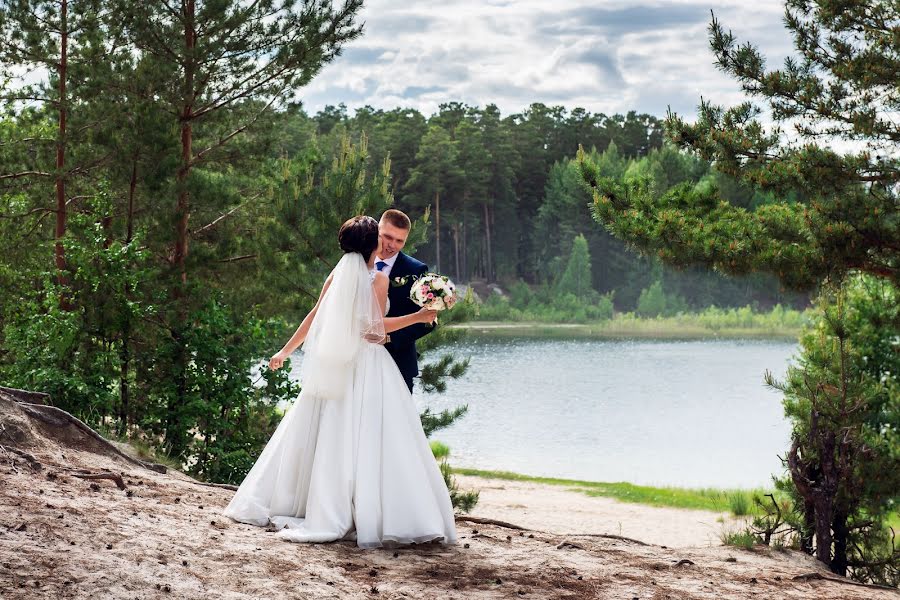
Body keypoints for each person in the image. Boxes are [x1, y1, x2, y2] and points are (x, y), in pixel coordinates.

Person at [222, 215, 457, 548]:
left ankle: (307, 501)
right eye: (382, 238)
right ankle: (367, 509)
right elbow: (374, 331)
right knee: (375, 438)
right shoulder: (377, 280)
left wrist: (285, 351)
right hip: (370, 364)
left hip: (339, 364)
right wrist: (420, 316)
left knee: (329, 432)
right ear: (373, 242)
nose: (387, 244)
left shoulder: (338, 274)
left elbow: (314, 315)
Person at [374, 209, 435, 393]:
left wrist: (390, 338)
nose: (392, 245)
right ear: (378, 230)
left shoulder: (416, 270)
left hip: (399, 361)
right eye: (387, 237)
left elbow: (428, 321)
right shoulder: (357, 263)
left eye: (399, 241)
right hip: (358, 360)